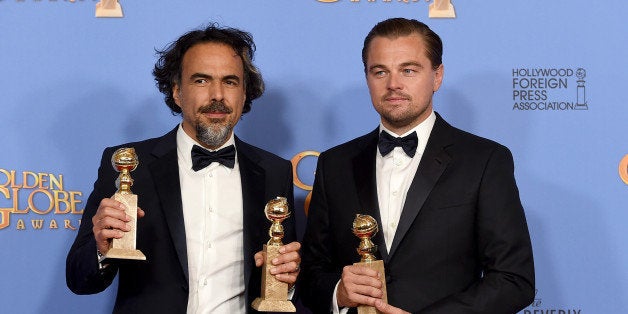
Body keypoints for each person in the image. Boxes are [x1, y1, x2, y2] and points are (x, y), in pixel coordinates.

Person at [300, 18, 534, 314]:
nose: (393, 84)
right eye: (380, 71)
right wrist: (339, 292)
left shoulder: (485, 161)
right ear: (367, 78)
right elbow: (310, 273)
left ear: (437, 76)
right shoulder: (335, 164)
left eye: (408, 70)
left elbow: (514, 280)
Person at [66, 23, 301, 313]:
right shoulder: (128, 164)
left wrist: (287, 281)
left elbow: (283, 274)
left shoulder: (273, 172)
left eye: (230, 82)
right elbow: (78, 279)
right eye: (201, 81)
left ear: (244, 94)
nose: (217, 95)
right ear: (177, 91)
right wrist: (101, 249)